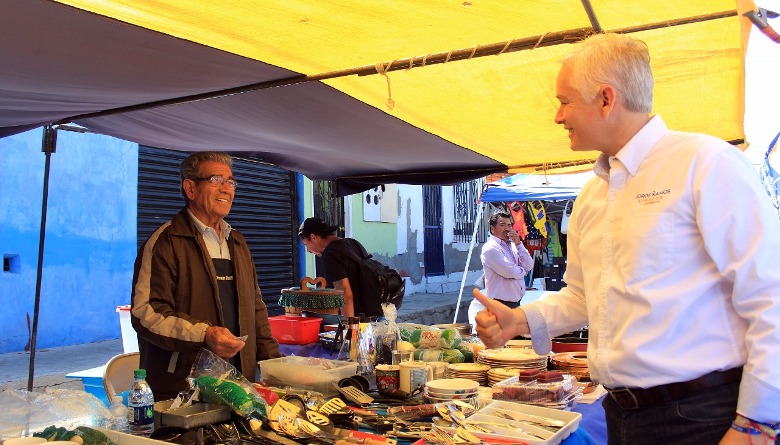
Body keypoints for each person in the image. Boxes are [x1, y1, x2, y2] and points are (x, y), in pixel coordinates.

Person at [473, 33, 780, 445]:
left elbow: (771, 296)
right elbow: (583, 296)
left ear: (605, 99)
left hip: (704, 418)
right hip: (620, 415)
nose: (558, 116)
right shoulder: (593, 194)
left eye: (565, 101)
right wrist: (519, 320)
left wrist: (755, 424)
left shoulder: (704, 163)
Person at [131, 151, 281, 400]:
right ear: (190, 188)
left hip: (240, 387)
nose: (226, 189)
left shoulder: (237, 241)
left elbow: (255, 309)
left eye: (230, 182)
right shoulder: (166, 241)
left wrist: (275, 367)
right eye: (216, 180)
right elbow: (146, 313)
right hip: (183, 390)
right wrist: (204, 334)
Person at [298, 217, 380, 318]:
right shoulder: (352, 243)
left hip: (360, 317)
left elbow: (345, 293)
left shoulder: (331, 254)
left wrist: (349, 326)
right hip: (375, 310)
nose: (308, 250)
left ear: (313, 237)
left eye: (306, 244)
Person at [480, 211, 535, 310]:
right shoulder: (490, 248)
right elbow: (511, 272)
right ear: (493, 229)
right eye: (502, 225)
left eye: (509, 225)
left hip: (514, 303)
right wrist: (524, 272)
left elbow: (529, 265)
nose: (507, 229)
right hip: (499, 304)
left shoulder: (513, 245)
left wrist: (519, 244)